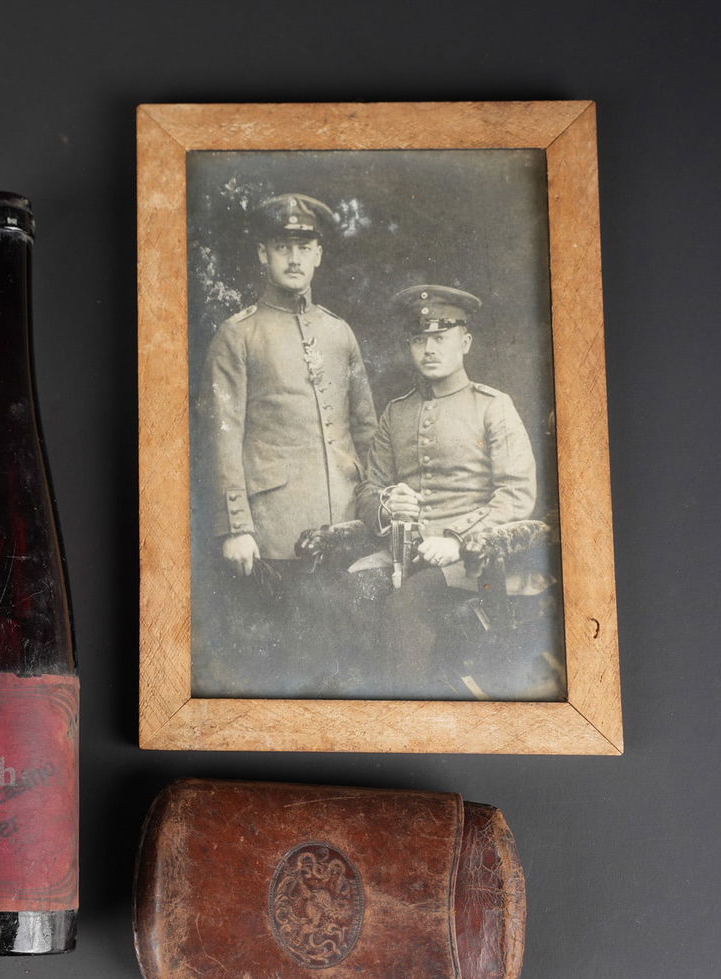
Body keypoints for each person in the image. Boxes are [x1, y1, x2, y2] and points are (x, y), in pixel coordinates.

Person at [200, 193, 378, 693]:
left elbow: (365, 430)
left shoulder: (339, 334)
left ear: (319, 254)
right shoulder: (238, 336)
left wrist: (377, 509)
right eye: (282, 246)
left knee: (349, 668)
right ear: (263, 254)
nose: (294, 258)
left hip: (344, 526)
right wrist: (236, 526)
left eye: (305, 246)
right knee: (290, 675)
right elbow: (223, 436)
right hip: (275, 537)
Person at [365, 285, 538, 697]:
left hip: (474, 563)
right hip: (401, 554)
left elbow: (515, 494)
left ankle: (405, 723)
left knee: (404, 609)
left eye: (440, 338)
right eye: (419, 339)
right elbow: (369, 487)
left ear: (465, 342)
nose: (429, 349)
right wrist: (388, 504)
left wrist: (457, 539)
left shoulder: (493, 406)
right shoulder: (396, 411)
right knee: (344, 593)